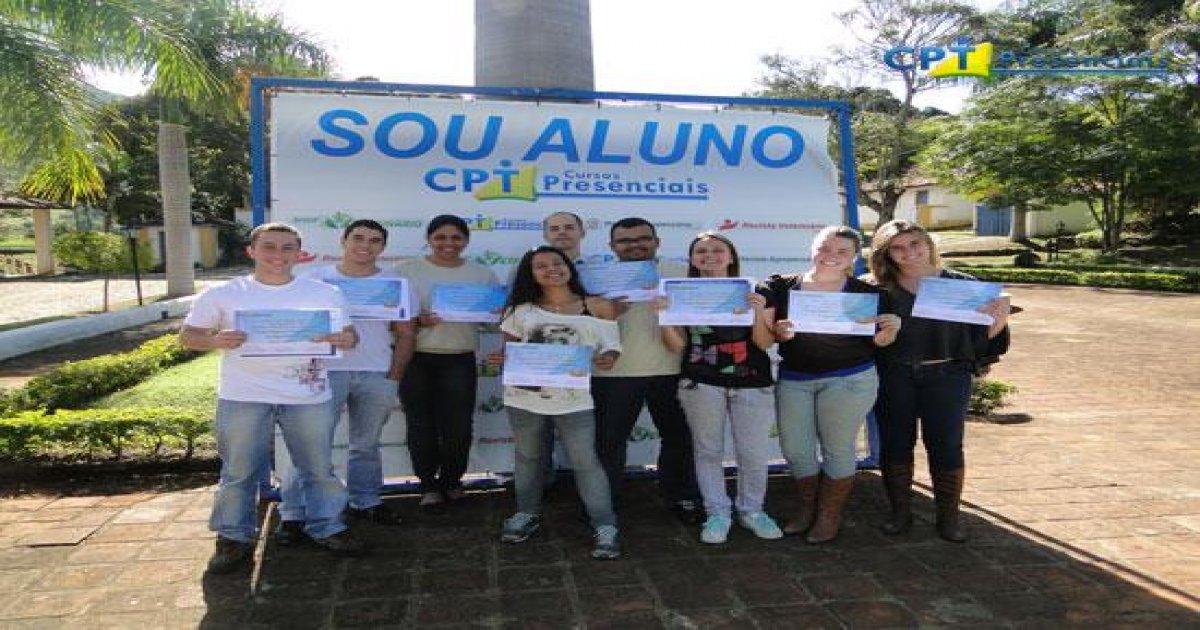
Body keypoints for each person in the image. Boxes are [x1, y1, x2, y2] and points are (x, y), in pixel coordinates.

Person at [180, 222, 365, 575]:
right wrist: (216, 341)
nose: (277, 255)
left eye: (287, 248)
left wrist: (344, 340)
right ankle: (233, 538)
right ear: (251, 251)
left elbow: (350, 335)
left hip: (307, 395)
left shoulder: (324, 293)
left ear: (300, 254)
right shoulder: (224, 293)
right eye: (269, 247)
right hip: (243, 395)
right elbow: (188, 336)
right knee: (238, 471)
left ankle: (328, 527)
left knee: (317, 469)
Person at [868, 219, 1010, 543]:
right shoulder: (878, 290)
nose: (909, 253)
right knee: (895, 444)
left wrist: (998, 322)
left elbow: (980, 342)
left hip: (947, 375)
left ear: (929, 243)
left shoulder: (962, 285)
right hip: (893, 374)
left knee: (945, 445)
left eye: (915, 243)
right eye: (898, 248)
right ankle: (900, 513)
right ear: (887, 253)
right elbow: (862, 337)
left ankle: (948, 518)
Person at [275, 220, 413, 543]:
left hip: (377, 373)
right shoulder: (314, 279)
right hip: (323, 373)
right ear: (343, 240)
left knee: (365, 445)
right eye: (359, 238)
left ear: (383, 248)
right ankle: (294, 514)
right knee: (310, 446)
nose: (366, 245)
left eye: (375, 240)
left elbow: (406, 334)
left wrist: (394, 375)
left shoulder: (396, 284)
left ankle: (366, 502)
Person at [762, 225, 901, 543]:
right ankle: (808, 507)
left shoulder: (870, 295)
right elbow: (767, 334)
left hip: (849, 379)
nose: (831, 256)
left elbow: (879, 342)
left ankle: (829, 514)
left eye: (842, 251)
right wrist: (779, 334)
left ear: (855, 256)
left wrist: (889, 333)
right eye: (825, 248)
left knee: (838, 449)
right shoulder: (781, 286)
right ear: (812, 248)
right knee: (796, 449)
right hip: (795, 379)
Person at [488, 246, 623, 559]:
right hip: (524, 398)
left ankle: (605, 524)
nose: (551, 269)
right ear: (531, 274)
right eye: (541, 266)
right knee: (528, 457)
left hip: (574, 400)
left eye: (557, 262)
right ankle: (526, 513)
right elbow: (507, 352)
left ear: (568, 267)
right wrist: (501, 358)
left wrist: (608, 357)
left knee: (585, 461)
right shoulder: (519, 311)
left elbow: (613, 347)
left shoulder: (597, 306)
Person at [659, 231, 783, 543]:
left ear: (731, 257)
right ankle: (717, 512)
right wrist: (663, 316)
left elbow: (764, 342)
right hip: (701, 382)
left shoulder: (757, 290)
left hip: (752, 382)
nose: (710, 255)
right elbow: (676, 347)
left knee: (753, 453)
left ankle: (752, 510)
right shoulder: (681, 292)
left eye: (718, 250)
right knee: (708, 451)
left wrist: (756, 311)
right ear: (692, 259)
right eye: (701, 251)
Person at [592, 217, 703, 523]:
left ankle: (681, 496)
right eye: (625, 241)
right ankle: (604, 506)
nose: (634, 245)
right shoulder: (595, 278)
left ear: (657, 242)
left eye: (643, 238)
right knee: (608, 444)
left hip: (672, 370)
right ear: (612, 246)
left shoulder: (681, 273)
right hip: (613, 373)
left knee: (679, 439)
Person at [396, 215, 500, 506]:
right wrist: (418, 321)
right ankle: (428, 485)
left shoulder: (482, 273)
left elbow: (494, 318)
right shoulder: (405, 270)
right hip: (415, 358)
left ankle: (453, 481)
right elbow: (390, 317)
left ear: (466, 241)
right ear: (428, 240)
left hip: (459, 358)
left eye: (456, 237)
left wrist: (491, 311)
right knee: (420, 425)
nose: (448, 243)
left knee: (459, 427)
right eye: (440, 237)